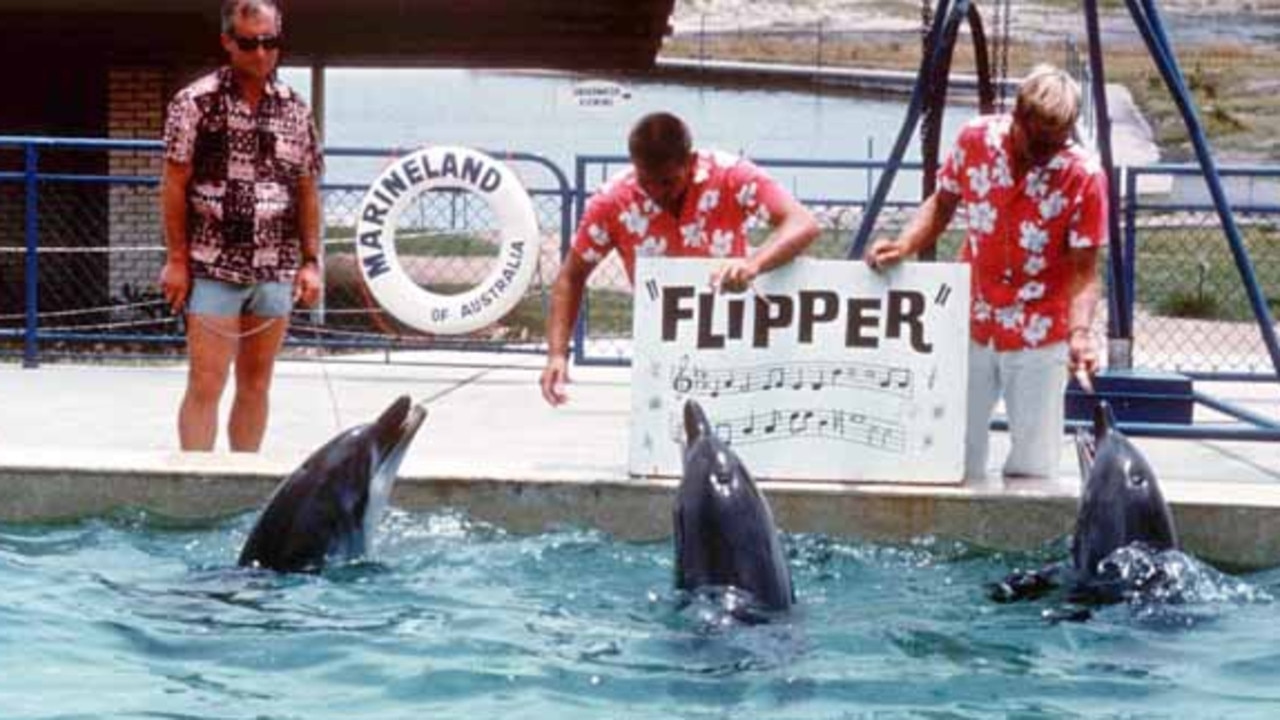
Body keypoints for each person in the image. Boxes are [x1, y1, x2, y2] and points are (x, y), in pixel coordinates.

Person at [866, 65, 1106, 481]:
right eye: (1039, 140)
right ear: (1018, 116)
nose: (1048, 151)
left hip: (1040, 331)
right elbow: (942, 204)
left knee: (1035, 462)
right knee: (952, 450)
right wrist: (905, 243)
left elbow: (1085, 272)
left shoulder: (1084, 176)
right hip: (972, 318)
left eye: (1059, 141)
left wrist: (1080, 333)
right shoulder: (974, 138)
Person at [540, 111, 821, 406]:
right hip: (664, 350)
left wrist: (753, 263)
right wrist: (557, 354)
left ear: (690, 161)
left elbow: (803, 223)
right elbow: (571, 276)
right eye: (646, 181)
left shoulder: (730, 175)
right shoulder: (612, 201)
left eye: (668, 181)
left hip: (735, 339)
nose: (656, 192)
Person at [159, 0, 323, 452]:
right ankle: (197, 485)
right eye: (250, 43)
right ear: (228, 42)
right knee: (206, 382)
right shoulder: (196, 102)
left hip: (275, 268)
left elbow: (307, 188)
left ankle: (243, 481)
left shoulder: (295, 109)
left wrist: (311, 262)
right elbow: (173, 184)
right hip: (213, 265)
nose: (261, 54)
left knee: (256, 383)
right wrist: (176, 260)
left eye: (271, 42)